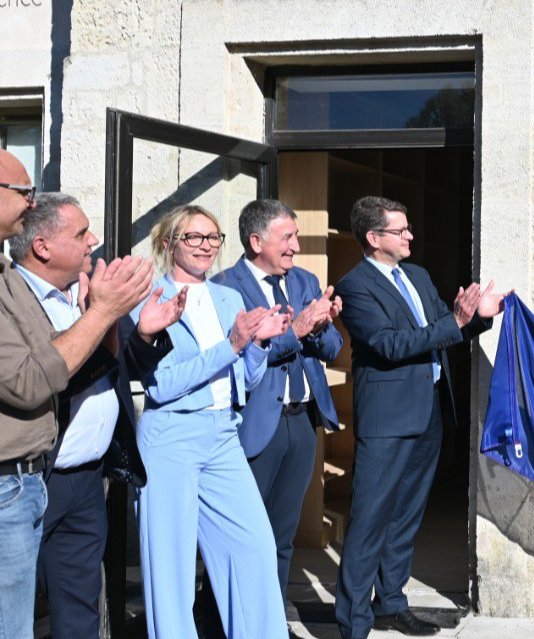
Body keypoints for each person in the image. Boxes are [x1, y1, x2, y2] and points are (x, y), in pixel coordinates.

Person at [9, 193, 182, 638]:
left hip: (89, 480)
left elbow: (116, 370)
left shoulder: (86, 292)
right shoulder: (14, 300)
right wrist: (102, 314)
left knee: (81, 608)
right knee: (15, 609)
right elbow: (40, 379)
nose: (95, 240)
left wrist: (143, 335)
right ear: (43, 247)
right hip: (35, 478)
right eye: (82, 233)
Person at [334, 196, 504, 639]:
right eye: (400, 230)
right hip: (388, 420)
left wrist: (478, 319)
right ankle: (353, 623)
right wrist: (456, 321)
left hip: (428, 411)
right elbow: (390, 344)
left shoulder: (418, 275)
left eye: (408, 228)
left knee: (405, 519)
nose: (410, 235)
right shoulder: (354, 287)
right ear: (374, 238)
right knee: (369, 521)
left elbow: (442, 330)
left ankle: (391, 603)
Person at [130, 204, 292, 639]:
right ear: (169, 243)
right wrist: (232, 344)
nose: (206, 246)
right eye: (194, 237)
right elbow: (162, 385)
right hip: (171, 437)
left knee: (255, 549)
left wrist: (257, 345)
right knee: (171, 570)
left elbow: (245, 379)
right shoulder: (151, 300)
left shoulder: (227, 298)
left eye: (213, 237)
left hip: (223, 435)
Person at [206, 198, 342, 636]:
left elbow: (333, 349)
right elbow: (238, 357)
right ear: (256, 241)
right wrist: (297, 330)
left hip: (301, 423)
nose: (296, 247)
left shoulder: (304, 281)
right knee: (238, 537)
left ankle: (270, 625)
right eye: (287, 238)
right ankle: (220, 625)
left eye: (296, 236)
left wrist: (321, 327)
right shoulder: (225, 288)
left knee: (282, 535)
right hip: (254, 426)